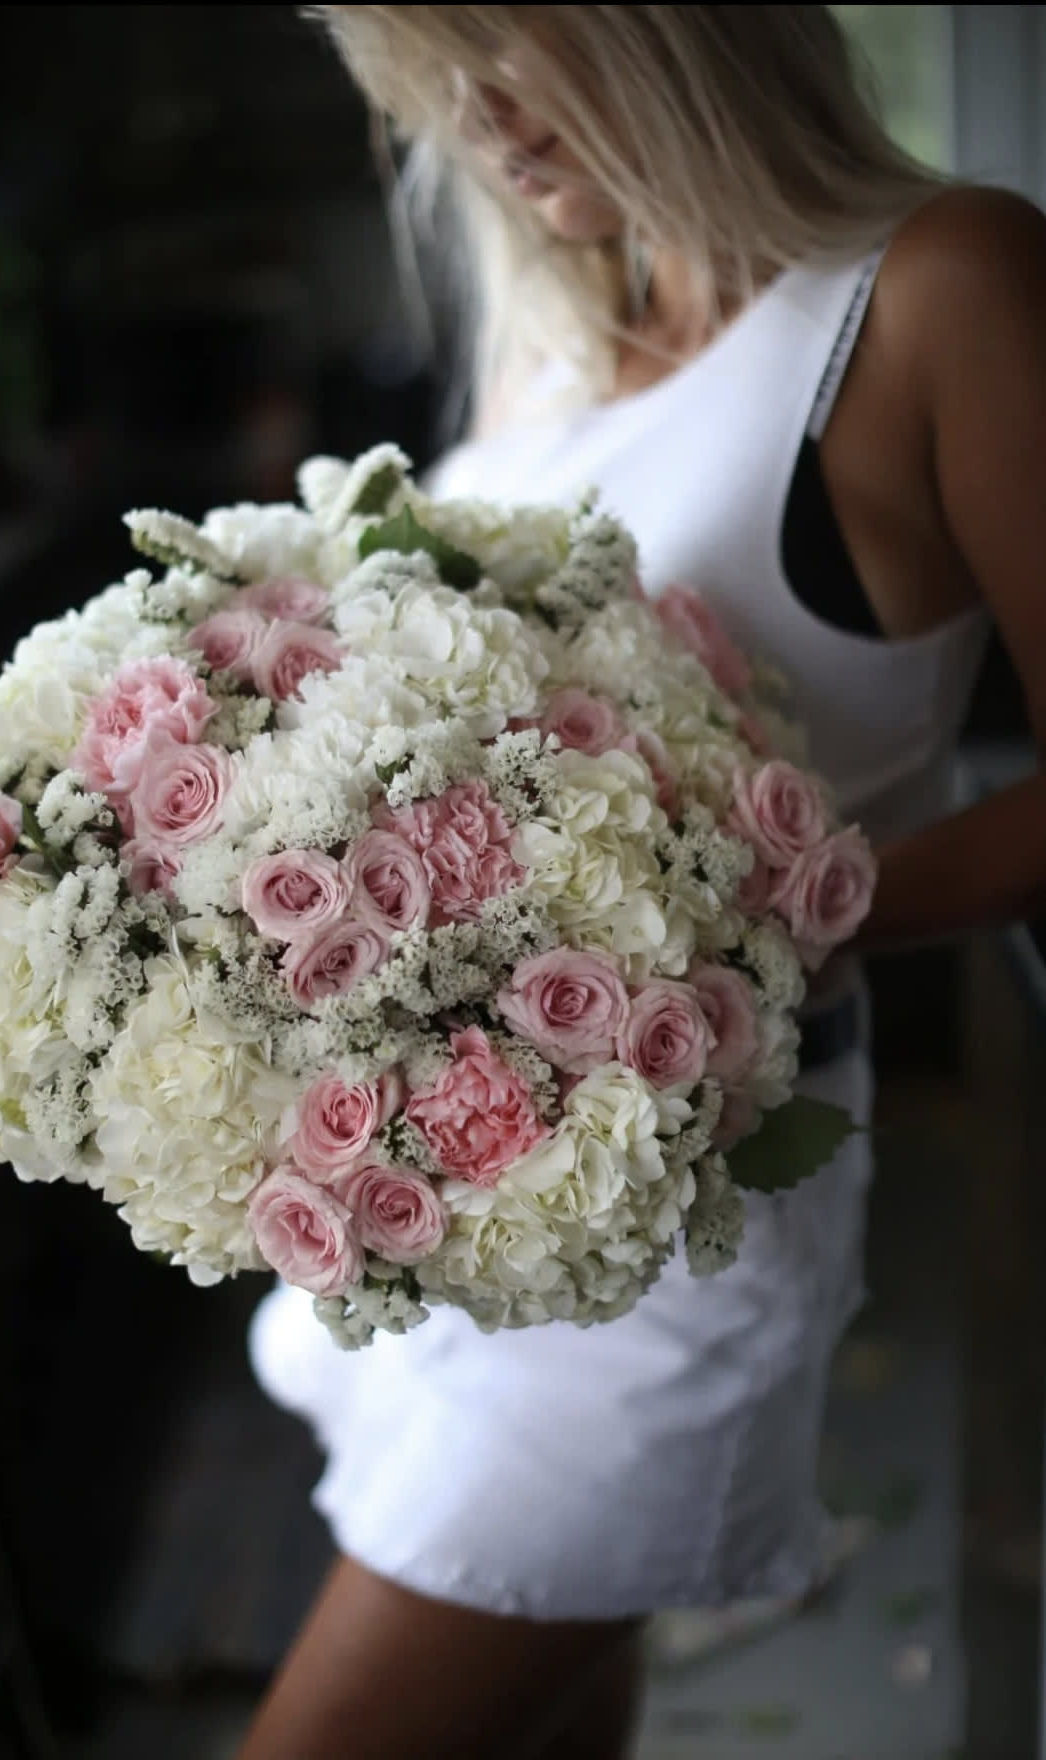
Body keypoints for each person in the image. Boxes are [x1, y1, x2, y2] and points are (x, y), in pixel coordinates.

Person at [239, 8, 1046, 1756]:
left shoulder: (934, 288)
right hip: (442, 1219)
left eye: (503, 51)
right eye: (423, 84)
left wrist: (760, 930)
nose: (476, 125)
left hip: (664, 1255)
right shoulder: (558, 338)